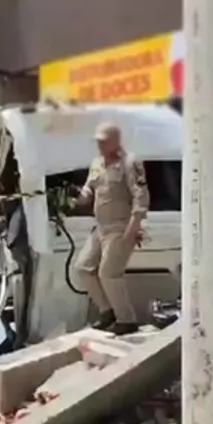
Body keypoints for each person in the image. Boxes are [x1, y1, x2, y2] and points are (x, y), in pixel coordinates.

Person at [73, 122, 150, 336]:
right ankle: (107, 311)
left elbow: (141, 196)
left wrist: (133, 228)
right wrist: (77, 197)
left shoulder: (130, 163)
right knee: (83, 267)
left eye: (104, 141)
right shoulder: (97, 163)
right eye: (98, 141)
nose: (100, 145)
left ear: (115, 141)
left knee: (109, 273)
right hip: (100, 227)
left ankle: (126, 319)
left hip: (120, 227)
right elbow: (89, 188)